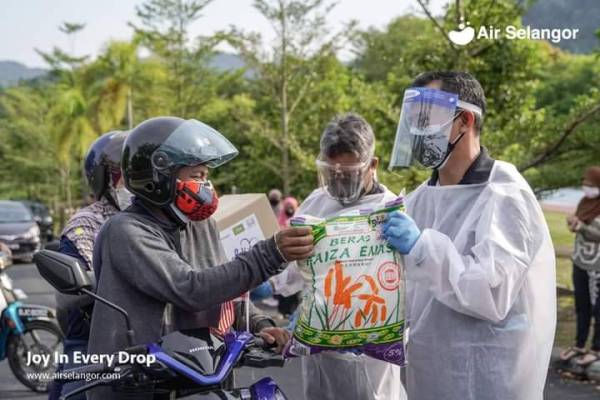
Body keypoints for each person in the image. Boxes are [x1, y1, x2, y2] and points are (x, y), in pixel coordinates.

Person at [87, 117, 314, 399]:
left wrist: (261, 325)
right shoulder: (125, 231)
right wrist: (271, 253)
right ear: (159, 177)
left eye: (206, 176)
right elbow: (190, 289)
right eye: (196, 177)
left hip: (201, 374)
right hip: (143, 383)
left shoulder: (199, 225)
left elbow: (224, 291)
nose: (206, 186)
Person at [382, 71, 556, 400]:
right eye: (412, 119)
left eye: (426, 118)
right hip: (429, 377)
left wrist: (422, 248)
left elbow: (490, 292)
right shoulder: (419, 199)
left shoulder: (504, 192)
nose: (417, 130)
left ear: (464, 120)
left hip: (490, 377)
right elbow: (402, 292)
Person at [275, 113, 406, 400]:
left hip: (372, 361)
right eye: (330, 174)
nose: (338, 184)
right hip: (321, 354)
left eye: (347, 175)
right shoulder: (317, 202)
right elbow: (289, 278)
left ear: (372, 165)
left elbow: (413, 286)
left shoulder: (391, 211)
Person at [48, 130, 129, 400]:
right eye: (124, 172)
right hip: (93, 341)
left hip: (160, 338)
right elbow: (66, 298)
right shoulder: (85, 225)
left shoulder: (169, 219)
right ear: (104, 178)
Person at [560, 166, 600, 365]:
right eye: (585, 184)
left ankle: (596, 348)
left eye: (591, 185)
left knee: (598, 308)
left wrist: (581, 227)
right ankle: (579, 344)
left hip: (597, 267)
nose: (587, 188)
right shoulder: (585, 202)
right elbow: (580, 225)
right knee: (581, 306)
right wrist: (573, 223)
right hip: (580, 262)